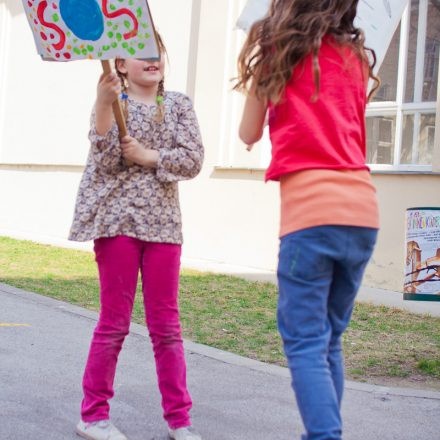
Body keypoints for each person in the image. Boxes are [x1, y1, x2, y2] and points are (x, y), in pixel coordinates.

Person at [234, 1, 380, 439]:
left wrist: (263, 75)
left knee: (304, 342)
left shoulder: (278, 52)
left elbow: (247, 133)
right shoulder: (354, 58)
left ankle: (323, 436)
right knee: (330, 339)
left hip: (311, 216)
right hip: (362, 211)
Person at [69, 34, 204, 440]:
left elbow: (194, 158)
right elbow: (106, 158)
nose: (152, 58)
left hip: (163, 226)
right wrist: (103, 105)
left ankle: (179, 421)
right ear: (120, 66)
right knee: (114, 323)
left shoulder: (177, 104)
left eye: (156, 50)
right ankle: (93, 416)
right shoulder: (114, 103)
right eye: (140, 52)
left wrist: (150, 156)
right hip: (118, 225)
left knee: (167, 326)